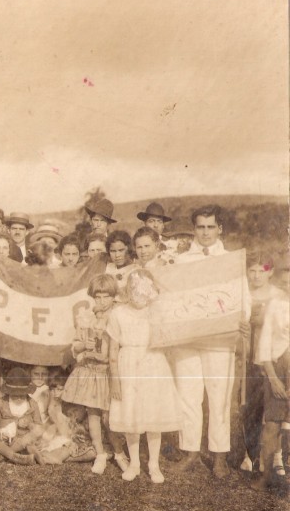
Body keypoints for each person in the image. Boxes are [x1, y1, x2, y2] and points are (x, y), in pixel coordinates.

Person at [172, 205, 245, 478]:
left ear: (220, 229)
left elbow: (242, 299)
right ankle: (190, 452)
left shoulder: (231, 260)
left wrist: (240, 322)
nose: (205, 232)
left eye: (210, 227)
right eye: (200, 227)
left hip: (219, 339)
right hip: (187, 339)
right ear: (194, 229)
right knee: (188, 396)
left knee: (219, 397)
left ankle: (219, 457)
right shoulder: (181, 262)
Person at [108, 270, 181, 483]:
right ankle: (134, 463)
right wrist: (115, 378)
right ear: (128, 291)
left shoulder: (155, 312)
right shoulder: (118, 313)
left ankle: (154, 464)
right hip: (128, 364)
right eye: (134, 291)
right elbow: (113, 349)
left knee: (152, 415)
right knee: (131, 414)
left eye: (144, 292)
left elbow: (167, 340)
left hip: (153, 363)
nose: (139, 296)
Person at [61, 274, 129, 474]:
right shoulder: (86, 317)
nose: (101, 301)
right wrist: (84, 345)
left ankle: (118, 452)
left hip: (109, 371)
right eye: (97, 297)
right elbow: (76, 344)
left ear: (113, 296)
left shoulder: (119, 316)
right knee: (93, 414)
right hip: (91, 372)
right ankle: (99, 453)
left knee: (110, 417)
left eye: (106, 296)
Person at [240, 251, 285, 472]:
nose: (257, 276)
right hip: (249, 357)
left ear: (271, 272)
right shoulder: (242, 294)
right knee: (251, 406)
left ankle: (275, 454)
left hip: (273, 357)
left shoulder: (279, 295)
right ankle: (251, 454)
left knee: (275, 409)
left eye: (262, 270)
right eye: (252, 270)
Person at [251, 287, 289, 491]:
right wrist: (273, 379)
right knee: (272, 424)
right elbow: (265, 344)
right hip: (278, 369)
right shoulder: (275, 304)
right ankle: (266, 476)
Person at [0, 368, 41, 465]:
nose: (19, 398)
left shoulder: (32, 404)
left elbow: (39, 427)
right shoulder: (1, 402)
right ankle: (15, 456)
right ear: (9, 392)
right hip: (3, 440)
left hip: (23, 441)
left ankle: (1, 455)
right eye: (15, 395)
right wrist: (0, 432)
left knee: (32, 436)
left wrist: (29, 424)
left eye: (22, 395)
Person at [105, 230, 136, 299]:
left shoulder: (135, 270)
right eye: (113, 251)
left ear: (128, 249)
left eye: (121, 250)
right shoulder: (108, 268)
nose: (117, 255)